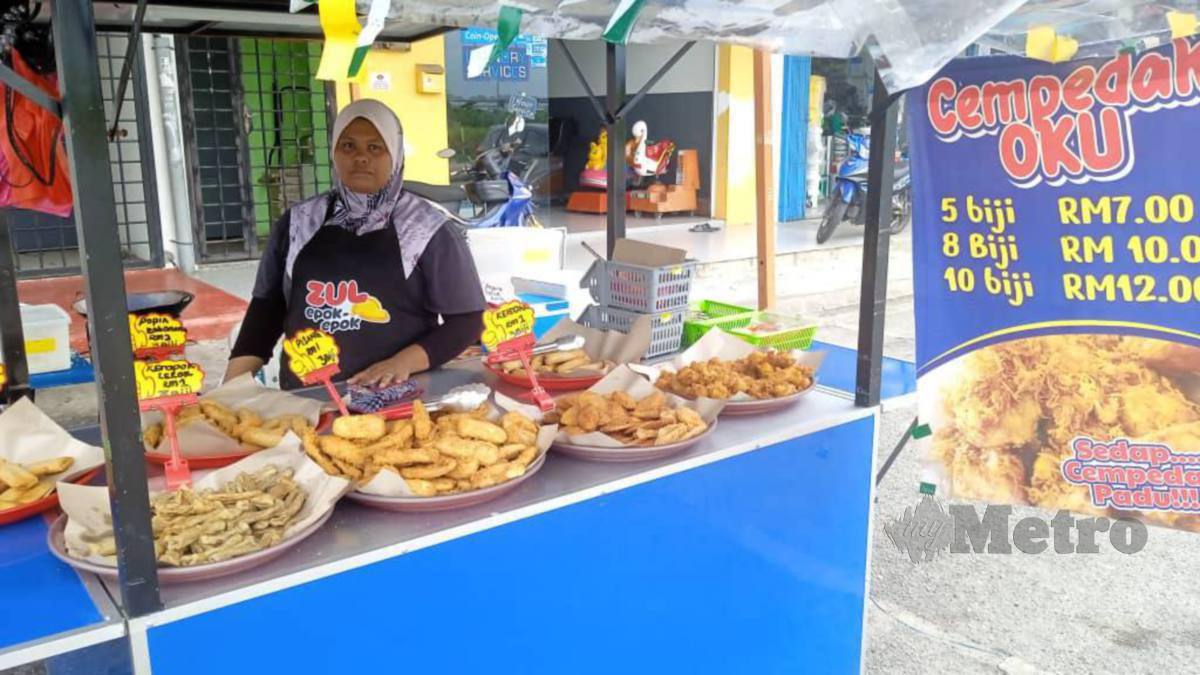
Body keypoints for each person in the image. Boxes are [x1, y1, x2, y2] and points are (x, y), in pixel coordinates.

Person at [225, 99, 486, 389]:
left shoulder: (426, 228)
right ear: (334, 153)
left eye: (375, 147)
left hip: (399, 399)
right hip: (308, 399)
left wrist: (399, 364)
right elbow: (267, 309)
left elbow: (466, 321)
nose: (361, 158)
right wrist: (230, 388)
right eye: (348, 146)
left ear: (395, 154)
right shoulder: (299, 222)